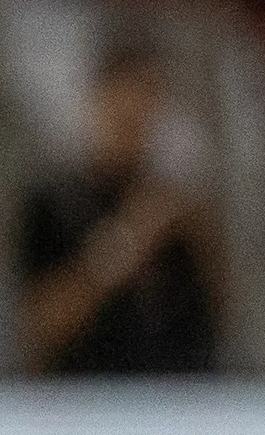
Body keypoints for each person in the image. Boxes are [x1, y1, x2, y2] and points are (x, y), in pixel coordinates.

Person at [18, 50, 221, 376]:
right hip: (87, 389)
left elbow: (220, 313)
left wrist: (200, 233)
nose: (133, 128)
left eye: (143, 116)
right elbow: (41, 326)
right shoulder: (55, 201)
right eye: (121, 115)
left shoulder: (174, 201)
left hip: (178, 388)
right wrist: (127, 241)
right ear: (97, 106)